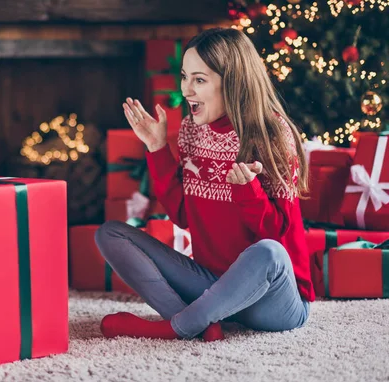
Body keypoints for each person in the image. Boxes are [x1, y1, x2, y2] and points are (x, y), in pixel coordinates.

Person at [95, 27, 314, 341]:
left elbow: (278, 238)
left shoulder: (272, 135)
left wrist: (248, 193)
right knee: (110, 233)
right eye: (185, 77)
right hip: (213, 286)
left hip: (275, 302)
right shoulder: (191, 130)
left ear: (233, 82)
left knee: (268, 252)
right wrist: (157, 149)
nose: (186, 90)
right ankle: (201, 323)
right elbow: (184, 216)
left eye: (199, 79)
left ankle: (174, 328)